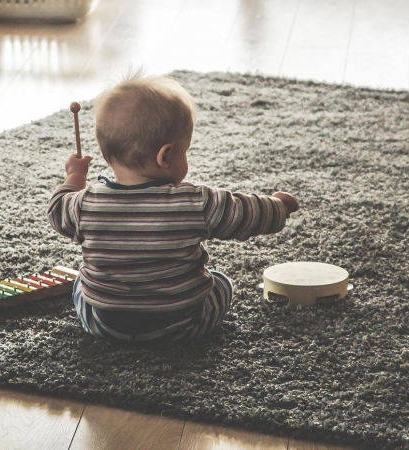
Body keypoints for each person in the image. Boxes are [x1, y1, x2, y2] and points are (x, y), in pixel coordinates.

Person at [48, 71, 299, 344]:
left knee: (80, 285)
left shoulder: (84, 205)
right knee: (222, 283)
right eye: (185, 150)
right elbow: (246, 212)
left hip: (105, 325)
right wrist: (278, 207)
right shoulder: (195, 202)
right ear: (165, 155)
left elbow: (57, 209)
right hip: (182, 325)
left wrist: (75, 176)